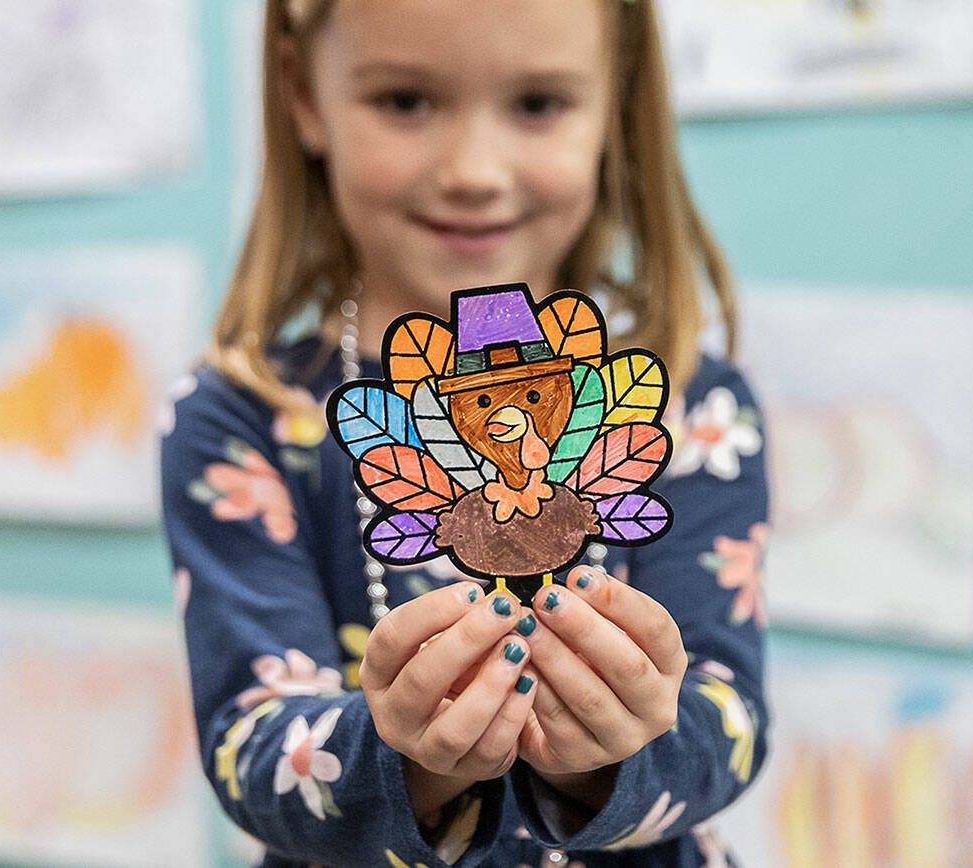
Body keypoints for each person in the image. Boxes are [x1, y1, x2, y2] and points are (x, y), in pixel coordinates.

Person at [160, 1, 772, 865]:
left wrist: (616, 749)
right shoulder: (240, 419)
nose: (475, 171)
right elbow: (252, 746)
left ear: (616, 100)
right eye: (407, 101)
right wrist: (406, 754)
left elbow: (731, 719)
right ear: (304, 93)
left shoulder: (690, 407)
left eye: (538, 104)